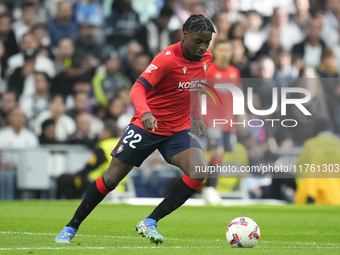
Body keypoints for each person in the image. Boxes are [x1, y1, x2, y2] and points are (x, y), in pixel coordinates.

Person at [55, 14, 215, 244]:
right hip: (147, 126)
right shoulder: (166, 59)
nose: (203, 47)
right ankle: (71, 226)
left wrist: (197, 116)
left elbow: (194, 88)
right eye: (198, 41)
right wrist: (146, 112)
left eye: (207, 42)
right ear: (185, 34)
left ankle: (150, 221)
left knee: (199, 172)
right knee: (111, 179)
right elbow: (138, 88)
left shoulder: (206, 58)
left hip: (177, 130)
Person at [201, 39, 240, 205]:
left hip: (228, 122)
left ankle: (209, 187)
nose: (224, 53)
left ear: (232, 53)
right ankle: (209, 188)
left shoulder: (234, 72)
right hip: (212, 120)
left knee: (221, 154)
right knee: (217, 150)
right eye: (221, 50)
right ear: (216, 51)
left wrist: (238, 117)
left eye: (227, 50)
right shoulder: (209, 71)